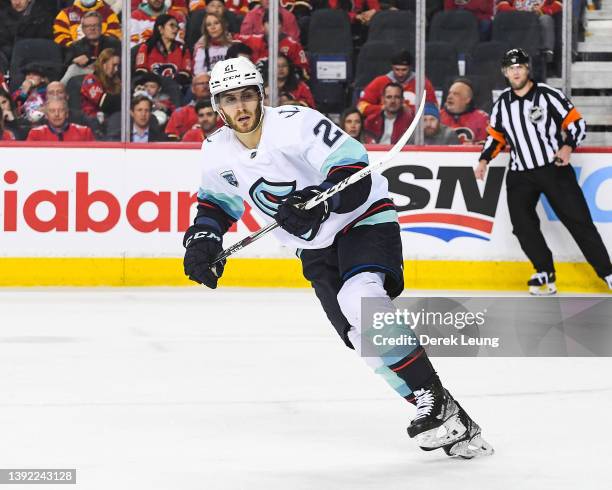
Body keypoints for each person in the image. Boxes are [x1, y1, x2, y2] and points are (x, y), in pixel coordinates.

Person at [182, 56, 494, 458]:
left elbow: (353, 167)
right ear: (217, 105)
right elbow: (215, 205)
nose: (239, 108)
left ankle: (434, 399)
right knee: (360, 339)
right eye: (228, 100)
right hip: (312, 245)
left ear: (261, 95)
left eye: (246, 96)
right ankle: (448, 416)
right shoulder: (216, 151)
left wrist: (319, 201)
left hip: (362, 217)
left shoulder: (295, 122)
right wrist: (203, 241)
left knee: (359, 298)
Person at [475, 48, 612, 294]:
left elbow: (576, 123)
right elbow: (495, 137)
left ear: (527, 69)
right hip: (520, 173)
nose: (516, 72)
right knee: (522, 225)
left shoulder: (549, 95)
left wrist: (568, 146)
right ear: (505, 73)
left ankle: (608, 273)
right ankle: (545, 273)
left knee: (579, 222)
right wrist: (484, 159)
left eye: (520, 67)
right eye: (511, 68)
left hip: (553, 168)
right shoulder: (502, 104)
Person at [358, 50, 438, 118]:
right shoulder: (379, 82)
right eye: (397, 69)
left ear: (410, 68)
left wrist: (409, 111)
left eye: (404, 70)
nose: (400, 74)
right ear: (392, 67)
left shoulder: (422, 82)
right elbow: (361, 106)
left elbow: (434, 108)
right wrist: (383, 108)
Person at [61, 11, 121, 85]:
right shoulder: (75, 46)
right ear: (83, 29)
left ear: (101, 27)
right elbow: (64, 67)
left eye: (95, 25)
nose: (92, 29)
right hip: (84, 82)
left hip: (110, 79)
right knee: (73, 68)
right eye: (88, 26)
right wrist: (74, 61)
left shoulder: (114, 44)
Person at [135, 14, 193, 87]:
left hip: (175, 89)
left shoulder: (183, 49)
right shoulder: (146, 47)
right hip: (151, 89)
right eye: (172, 25)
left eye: (177, 27)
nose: (175, 29)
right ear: (161, 29)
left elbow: (185, 74)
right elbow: (141, 71)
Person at [495, 0, 561, 61]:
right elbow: (501, 4)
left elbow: (559, 4)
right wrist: (517, 11)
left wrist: (542, 10)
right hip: (518, 17)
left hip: (539, 15)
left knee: (546, 19)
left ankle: (546, 52)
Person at [80, 47, 121, 136]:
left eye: (118, 66)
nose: (116, 69)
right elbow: (106, 103)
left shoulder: (116, 81)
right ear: (103, 63)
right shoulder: (90, 80)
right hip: (92, 123)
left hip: (112, 121)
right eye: (114, 65)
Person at [440, 78, 489, 145]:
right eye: (449, 93)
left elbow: (488, 145)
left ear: (467, 100)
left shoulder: (482, 118)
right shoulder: (438, 116)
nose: (449, 97)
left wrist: (473, 146)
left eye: (456, 94)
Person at [165, 72, 213, 139]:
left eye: (208, 83)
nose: (205, 86)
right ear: (193, 89)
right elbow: (171, 138)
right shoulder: (180, 113)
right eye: (201, 83)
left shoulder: (222, 110)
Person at [53, 0, 121, 47]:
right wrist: (76, 49)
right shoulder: (65, 14)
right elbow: (60, 38)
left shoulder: (109, 13)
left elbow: (114, 35)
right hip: (75, 57)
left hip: (102, 58)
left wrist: (97, 47)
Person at [27, 97, 94, 141]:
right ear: (46, 115)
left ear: (67, 114)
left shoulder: (84, 132)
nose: (57, 114)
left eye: (61, 110)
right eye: (52, 111)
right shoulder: (35, 134)